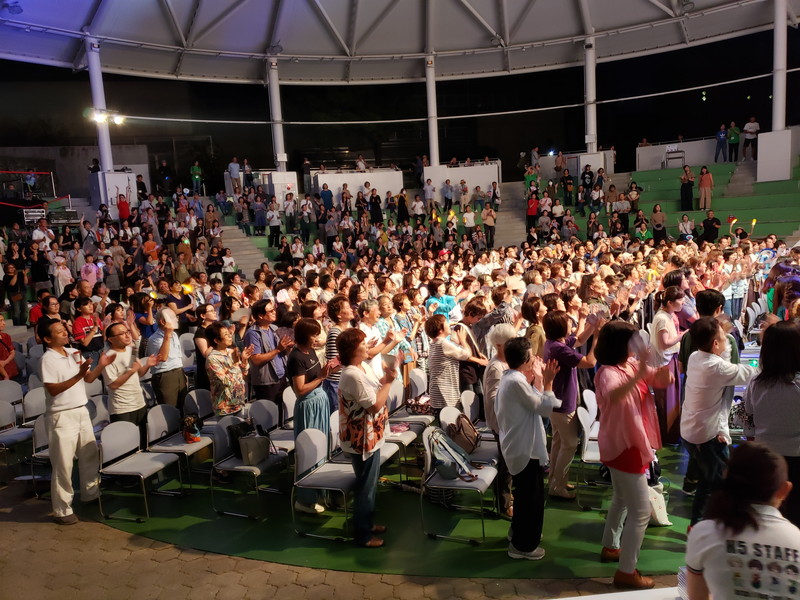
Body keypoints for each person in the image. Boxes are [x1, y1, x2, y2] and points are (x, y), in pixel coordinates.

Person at [594, 321, 673, 589]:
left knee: (621, 498)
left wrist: (661, 362)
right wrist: (642, 370)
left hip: (626, 442)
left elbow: (660, 379)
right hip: (625, 445)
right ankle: (626, 571)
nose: (636, 345)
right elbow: (615, 396)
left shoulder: (628, 365)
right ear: (621, 345)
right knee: (640, 511)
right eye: (632, 341)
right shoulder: (607, 373)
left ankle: (610, 546)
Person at [685, 443, 800, 599]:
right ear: (784, 490)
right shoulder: (796, 538)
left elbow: (697, 597)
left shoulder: (705, 533)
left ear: (726, 475)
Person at [682, 317, 759, 527]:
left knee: (707, 482)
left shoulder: (696, 357)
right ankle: (710, 528)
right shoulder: (716, 369)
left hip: (693, 431)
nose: (727, 339)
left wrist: (719, 335)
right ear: (715, 343)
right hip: (707, 436)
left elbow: (721, 360)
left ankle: (697, 526)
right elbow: (751, 373)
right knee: (719, 485)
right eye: (724, 337)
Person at [495, 337, 560, 560]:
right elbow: (543, 408)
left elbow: (535, 403)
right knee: (530, 499)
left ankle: (517, 534)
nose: (535, 359)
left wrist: (539, 379)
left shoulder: (512, 378)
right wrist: (548, 381)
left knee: (524, 496)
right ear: (524, 361)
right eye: (532, 356)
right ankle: (523, 546)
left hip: (520, 445)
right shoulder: (516, 382)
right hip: (524, 448)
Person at [38, 318, 104, 525]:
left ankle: (91, 493)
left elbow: (88, 378)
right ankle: (62, 509)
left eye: (64, 329)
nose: (65, 332)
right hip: (61, 415)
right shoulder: (47, 359)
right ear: (47, 339)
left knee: (89, 454)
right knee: (63, 463)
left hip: (81, 410)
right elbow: (52, 389)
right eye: (59, 331)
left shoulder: (74, 352)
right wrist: (79, 375)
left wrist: (101, 365)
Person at [336, 327, 396, 547]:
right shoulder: (352, 374)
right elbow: (374, 405)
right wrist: (389, 381)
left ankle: (368, 524)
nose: (367, 345)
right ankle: (362, 534)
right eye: (362, 343)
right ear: (353, 349)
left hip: (370, 434)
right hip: (361, 438)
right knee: (365, 486)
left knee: (369, 484)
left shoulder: (362, 367)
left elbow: (376, 386)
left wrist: (387, 377)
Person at [744, 320, 800, 526]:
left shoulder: (756, 383)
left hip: (765, 458)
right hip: (796, 458)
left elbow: (748, 420)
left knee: (767, 514)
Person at [542, 310, 600, 499]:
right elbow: (590, 362)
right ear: (561, 327)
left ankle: (556, 479)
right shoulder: (560, 349)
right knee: (570, 444)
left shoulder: (553, 343)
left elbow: (580, 340)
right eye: (568, 322)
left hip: (557, 402)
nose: (571, 324)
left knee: (559, 442)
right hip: (563, 403)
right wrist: (597, 337)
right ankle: (557, 487)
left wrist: (592, 325)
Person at [288, 318, 340, 514]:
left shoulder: (310, 352)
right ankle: (305, 499)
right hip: (309, 406)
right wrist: (320, 377)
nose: (317, 338)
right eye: (314, 334)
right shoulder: (296, 357)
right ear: (304, 336)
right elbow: (300, 390)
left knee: (321, 448)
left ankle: (319, 491)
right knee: (310, 450)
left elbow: (319, 376)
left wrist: (331, 369)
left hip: (320, 402)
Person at [103, 322, 160, 446]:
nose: (127, 335)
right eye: (122, 333)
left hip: (139, 403)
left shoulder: (130, 351)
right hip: (122, 408)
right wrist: (131, 371)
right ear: (111, 339)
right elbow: (113, 385)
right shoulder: (107, 358)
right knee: (126, 446)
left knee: (143, 443)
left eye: (127, 332)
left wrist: (148, 365)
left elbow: (138, 373)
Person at [483, 323, 517, 519]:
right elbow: (493, 398)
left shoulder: (504, 363)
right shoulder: (497, 367)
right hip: (502, 424)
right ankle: (503, 505)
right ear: (499, 345)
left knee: (508, 463)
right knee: (507, 465)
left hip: (506, 422)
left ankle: (506, 497)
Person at [244, 299, 294, 416]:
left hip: (281, 376)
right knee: (269, 416)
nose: (274, 312)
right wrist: (278, 349)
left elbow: (282, 351)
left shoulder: (274, 328)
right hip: (266, 381)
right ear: (260, 315)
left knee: (282, 414)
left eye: (274, 310)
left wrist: (288, 347)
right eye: (270, 311)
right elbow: (256, 359)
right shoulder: (253, 333)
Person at [650, 286, 686, 444]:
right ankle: (666, 436)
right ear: (670, 302)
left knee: (672, 399)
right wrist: (682, 336)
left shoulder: (668, 315)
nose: (683, 302)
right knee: (666, 401)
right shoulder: (662, 318)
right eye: (680, 300)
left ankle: (671, 434)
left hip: (670, 359)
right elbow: (664, 343)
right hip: (664, 363)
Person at [425, 314, 472, 415]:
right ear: (440, 330)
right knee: (451, 418)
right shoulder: (443, 343)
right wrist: (463, 340)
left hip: (438, 390)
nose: (449, 324)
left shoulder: (434, 343)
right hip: (446, 391)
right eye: (446, 323)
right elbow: (466, 354)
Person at [205, 321, 253, 416]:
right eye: (226, 334)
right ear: (216, 340)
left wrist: (244, 360)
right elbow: (225, 381)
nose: (230, 336)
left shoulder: (231, 352)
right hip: (225, 407)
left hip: (239, 401)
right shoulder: (212, 358)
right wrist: (235, 364)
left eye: (229, 333)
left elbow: (243, 374)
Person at [148, 307, 188, 411]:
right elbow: (163, 357)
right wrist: (167, 335)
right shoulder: (154, 338)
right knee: (170, 409)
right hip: (165, 375)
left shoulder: (174, 334)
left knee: (184, 406)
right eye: (173, 317)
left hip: (178, 372)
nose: (177, 319)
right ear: (162, 321)